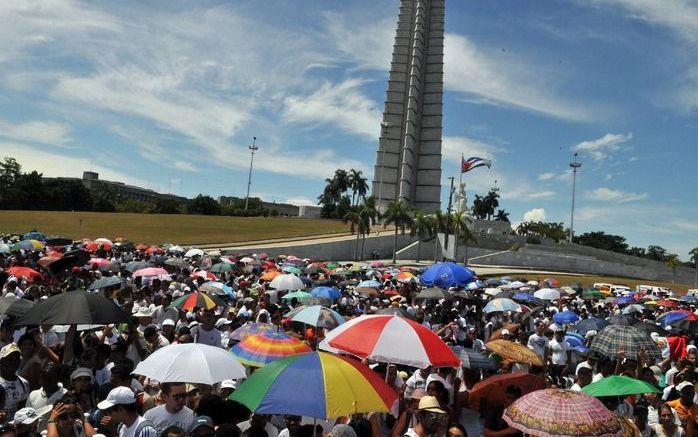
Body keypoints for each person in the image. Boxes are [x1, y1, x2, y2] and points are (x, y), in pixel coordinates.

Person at [0, 344, 29, 417]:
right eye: (9, 359)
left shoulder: (24, 384)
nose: (13, 363)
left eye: (16, 360)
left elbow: (22, 410)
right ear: (1, 361)